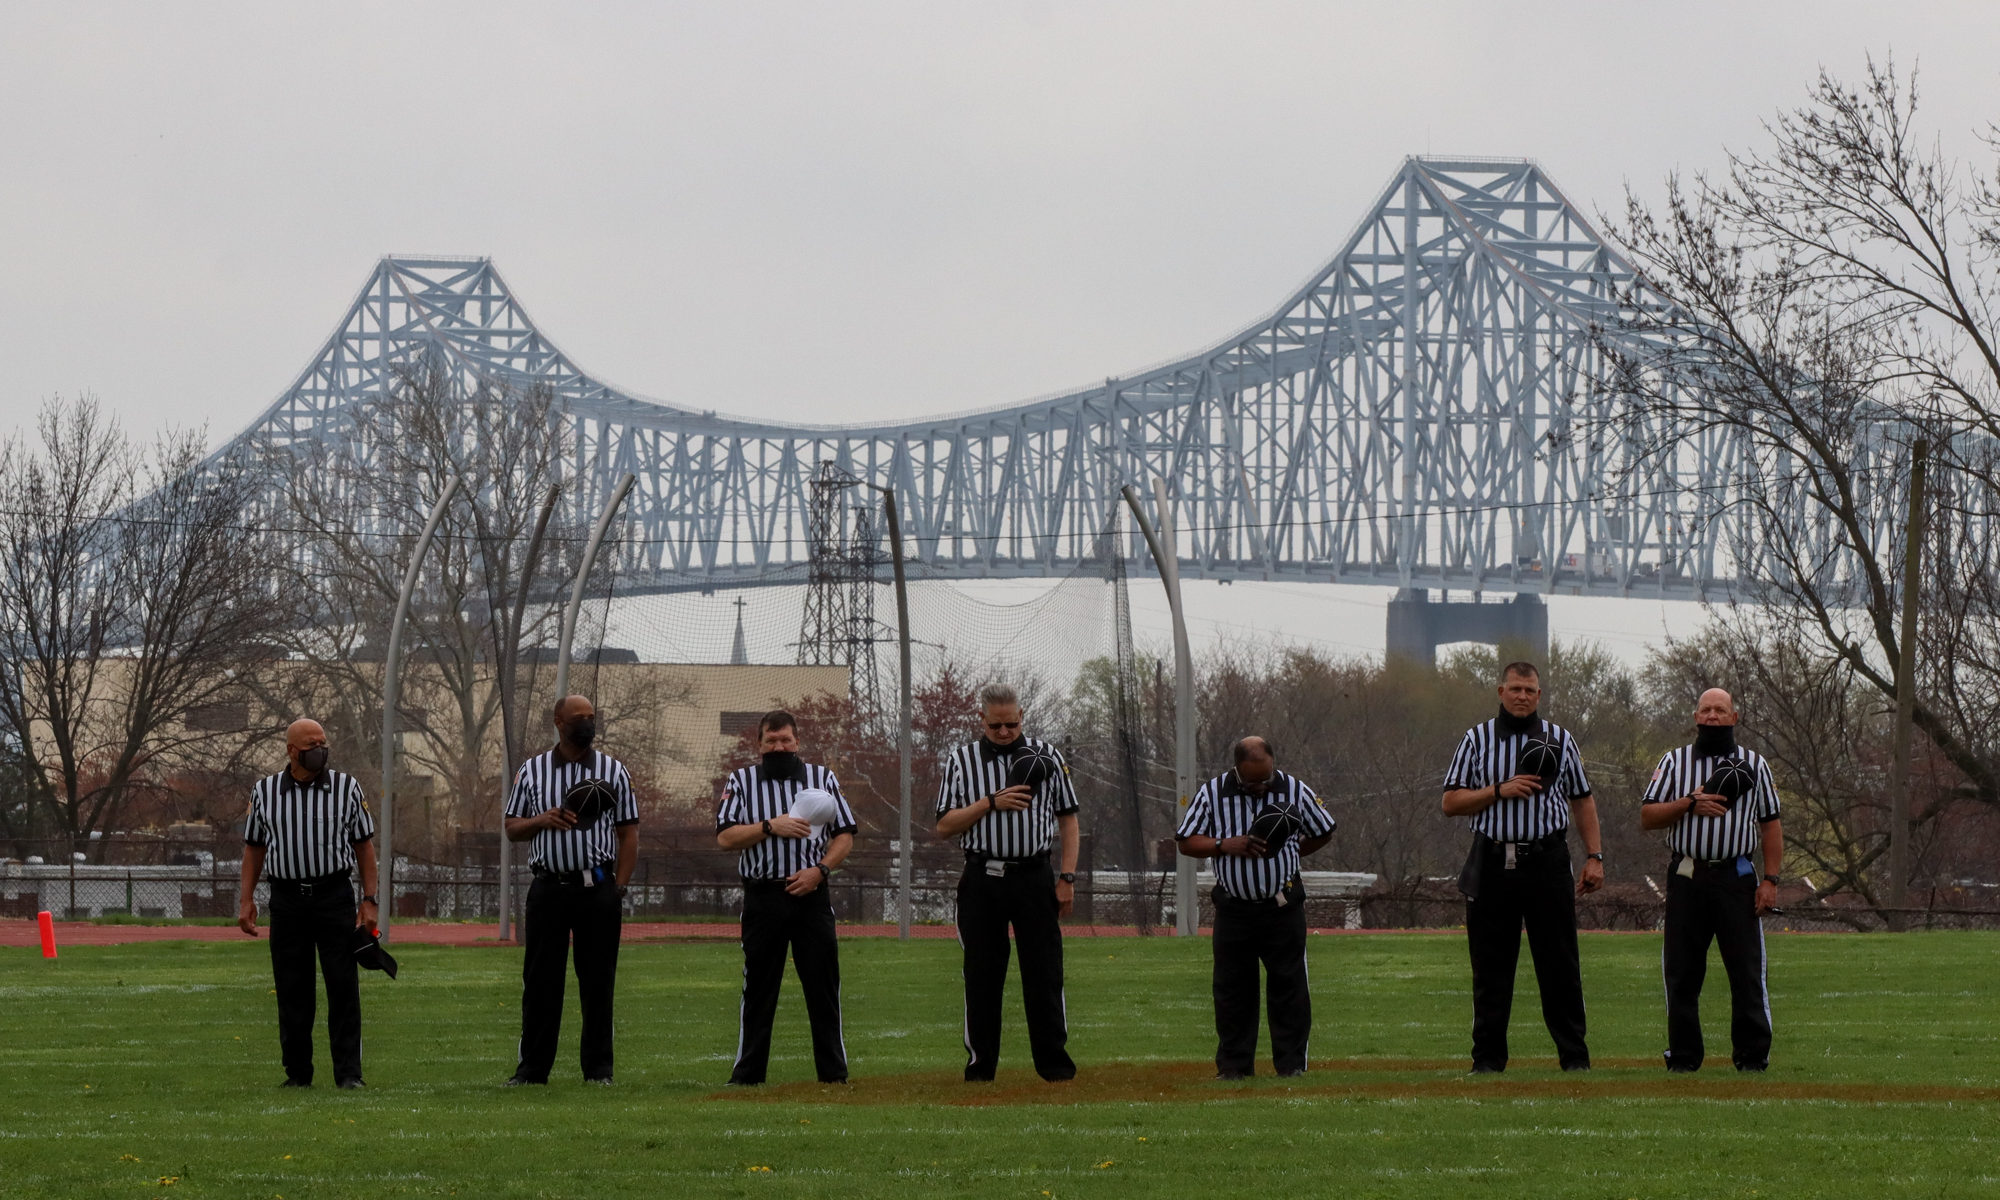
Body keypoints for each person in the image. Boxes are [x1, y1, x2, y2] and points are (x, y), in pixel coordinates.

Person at [1441, 660, 1605, 1073]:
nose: (1522, 696)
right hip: (1493, 861)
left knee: (1560, 964)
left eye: (1530, 690)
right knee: (1490, 967)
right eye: (1515, 689)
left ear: (1539, 695)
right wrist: (1499, 790)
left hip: (1546, 861)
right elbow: (1451, 802)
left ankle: (1575, 1059)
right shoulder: (1477, 739)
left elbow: (1582, 798)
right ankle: (1487, 1061)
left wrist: (1595, 856)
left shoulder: (1560, 739)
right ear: (1501, 691)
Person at [935, 682, 1079, 1082]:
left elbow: (1068, 820)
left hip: (1034, 876)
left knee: (1044, 972)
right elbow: (944, 825)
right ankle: (981, 1067)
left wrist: (1067, 877)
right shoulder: (961, 760)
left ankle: (1054, 1067)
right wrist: (989, 803)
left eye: (1011, 725)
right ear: (981, 719)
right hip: (982, 878)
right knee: (981, 974)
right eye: (995, 725)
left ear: (1022, 717)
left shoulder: (1047, 756)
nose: (1003, 732)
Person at [1640, 687, 1783, 1072]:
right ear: (1695, 717)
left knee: (1746, 971)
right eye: (1706, 710)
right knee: (1682, 972)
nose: (1713, 716)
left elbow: (1770, 824)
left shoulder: (1755, 764)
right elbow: (1648, 816)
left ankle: (1752, 1057)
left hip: (1737, 875)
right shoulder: (1674, 762)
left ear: (1734, 717)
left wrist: (1770, 880)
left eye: (1720, 710)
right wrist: (1689, 802)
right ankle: (1684, 1057)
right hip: (1688, 874)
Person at [1175, 736, 1336, 1079]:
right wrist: (1224, 845)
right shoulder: (1212, 793)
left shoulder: (1294, 790)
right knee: (1232, 992)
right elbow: (1186, 842)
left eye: (1267, 778)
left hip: (1282, 907)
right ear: (1237, 770)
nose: (1261, 787)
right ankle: (1234, 1067)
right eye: (1252, 782)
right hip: (1234, 910)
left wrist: (1291, 852)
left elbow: (1324, 829)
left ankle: (1291, 1065)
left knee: (1289, 988)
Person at [715, 710, 858, 1085]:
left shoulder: (822, 778)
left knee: (823, 986)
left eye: (785, 740)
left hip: (811, 895)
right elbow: (726, 837)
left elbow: (844, 835)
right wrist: (769, 826)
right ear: (759, 744)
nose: (779, 747)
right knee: (758, 988)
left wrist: (820, 870)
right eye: (771, 740)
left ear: (797, 741)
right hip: (764, 896)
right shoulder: (742, 781)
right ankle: (748, 1075)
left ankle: (833, 1074)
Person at [502, 695, 640, 1086]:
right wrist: (541, 820)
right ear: (559, 722)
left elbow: (629, 833)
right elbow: (512, 828)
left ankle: (598, 1071)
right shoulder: (532, 770)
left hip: (597, 889)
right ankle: (532, 1071)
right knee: (541, 982)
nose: (587, 724)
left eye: (592, 717)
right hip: (549, 888)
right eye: (579, 718)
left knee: (598, 982)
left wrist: (619, 887)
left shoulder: (613, 770)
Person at [238, 718, 379, 1089]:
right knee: (292, 988)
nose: (320, 750)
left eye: (323, 743)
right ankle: (298, 1074)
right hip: (286, 900)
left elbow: (364, 847)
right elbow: (254, 849)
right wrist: (246, 899)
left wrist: (369, 899)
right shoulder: (265, 791)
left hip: (333, 896)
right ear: (291, 751)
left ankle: (349, 1074)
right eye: (311, 745)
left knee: (343, 986)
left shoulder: (346, 788)